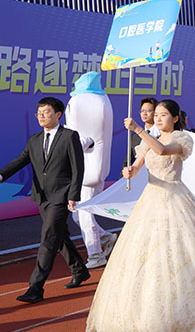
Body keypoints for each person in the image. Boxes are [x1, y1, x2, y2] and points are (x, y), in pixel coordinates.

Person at [85, 100, 195, 331]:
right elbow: (136, 168)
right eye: (156, 114)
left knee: (180, 251)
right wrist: (129, 171)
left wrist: (138, 129)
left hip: (175, 198)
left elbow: (163, 151)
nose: (158, 118)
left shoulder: (180, 138)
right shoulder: (147, 141)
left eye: (163, 114)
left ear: (175, 118)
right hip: (150, 200)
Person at [0, 97, 88, 303]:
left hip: (61, 196)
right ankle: (79, 269)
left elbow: (78, 168)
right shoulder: (34, 140)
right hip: (42, 196)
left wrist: (73, 195)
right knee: (59, 236)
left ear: (58, 114)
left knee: (48, 237)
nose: (41, 116)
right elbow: (20, 161)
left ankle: (35, 287)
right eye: (39, 113)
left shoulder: (69, 136)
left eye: (46, 112)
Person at [65, 72, 117, 270]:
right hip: (91, 166)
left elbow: (80, 138)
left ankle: (95, 254)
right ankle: (105, 237)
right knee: (77, 215)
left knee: (84, 213)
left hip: (89, 168)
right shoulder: (103, 100)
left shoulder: (78, 101)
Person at [122, 98, 160, 173]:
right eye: (142, 111)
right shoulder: (135, 137)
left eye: (148, 110)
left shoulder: (162, 134)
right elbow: (129, 161)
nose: (144, 113)